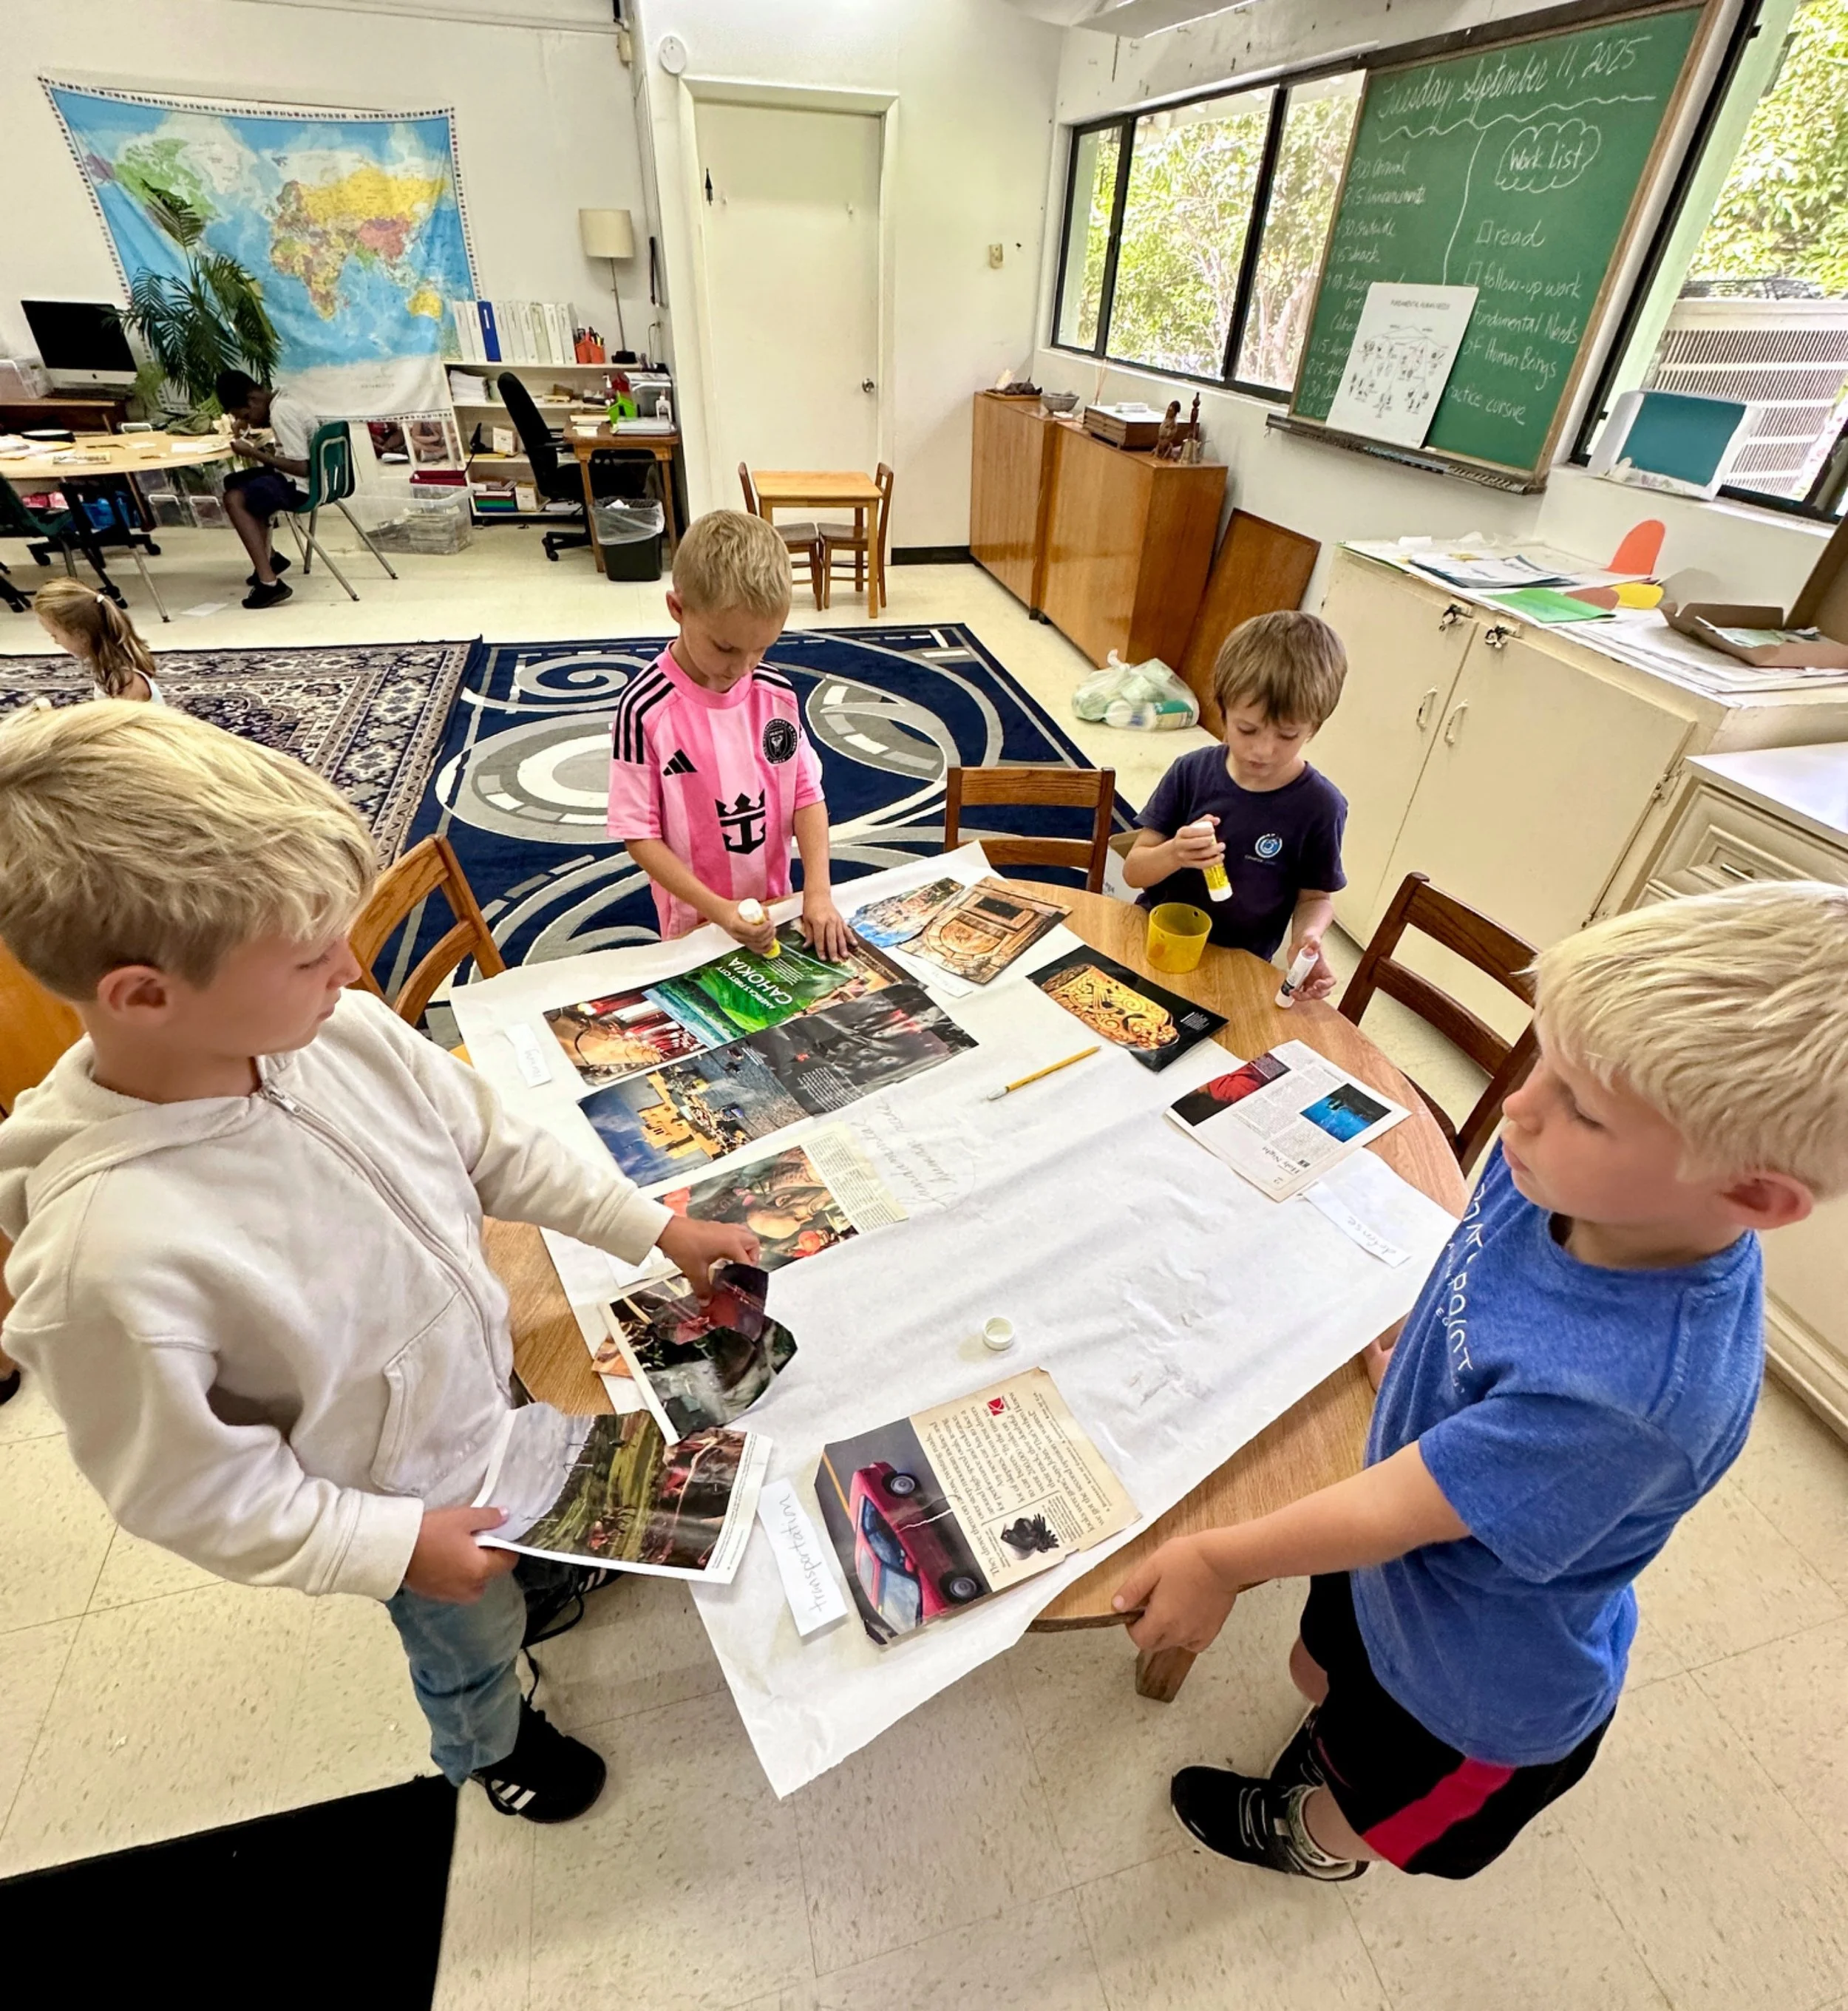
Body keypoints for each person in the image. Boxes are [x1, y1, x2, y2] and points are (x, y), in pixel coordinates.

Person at [0, 702, 759, 1822]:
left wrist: (654, 1230)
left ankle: (542, 1579)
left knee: (527, 1546)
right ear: (144, 996)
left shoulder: (334, 1031)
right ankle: (492, 1745)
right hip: (400, 1499)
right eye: (311, 954)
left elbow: (495, 1149)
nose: (353, 968)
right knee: (469, 1644)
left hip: (485, 1402)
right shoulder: (106, 1259)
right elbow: (191, 1491)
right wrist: (389, 1545)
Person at [1114, 880, 1848, 1883]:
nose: (1517, 1104)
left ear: (1750, 1193)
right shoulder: (1555, 1166)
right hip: (1391, 1573)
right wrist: (1428, 1344)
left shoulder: (1638, 1400)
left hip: (1471, 1685)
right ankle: (1328, 1749)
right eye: (1544, 1052)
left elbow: (1415, 1508)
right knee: (1322, 1676)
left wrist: (1224, 1560)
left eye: (1581, 1107)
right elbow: (1481, 1265)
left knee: (1368, 1801)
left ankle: (1311, 1841)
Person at [609, 509, 849, 959]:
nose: (742, 668)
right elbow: (638, 834)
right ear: (678, 610)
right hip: (694, 922)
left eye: (762, 648)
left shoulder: (775, 694)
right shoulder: (644, 709)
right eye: (725, 647)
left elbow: (805, 794)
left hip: (773, 908)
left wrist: (818, 892)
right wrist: (720, 910)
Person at [1123, 611, 1348, 1000]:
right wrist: (1174, 853)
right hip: (1157, 941)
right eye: (1247, 729)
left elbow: (1315, 898)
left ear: (1315, 727)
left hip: (1240, 965)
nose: (1263, 750)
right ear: (1223, 709)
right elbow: (1134, 872)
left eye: (1288, 735)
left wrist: (1308, 936)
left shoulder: (1320, 806)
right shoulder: (1191, 772)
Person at [214, 368, 319, 610]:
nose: (249, 421)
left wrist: (254, 453)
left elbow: (301, 468)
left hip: (300, 486)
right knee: (235, 482)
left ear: (253, 399)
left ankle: (270, 583)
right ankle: (270, 557)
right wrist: (248, 425)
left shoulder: (283, 413)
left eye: (247, 415)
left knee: (234, 498)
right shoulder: (282, 401)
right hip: (305, 480)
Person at [33, 577, 165, 702]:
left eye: (54, 635)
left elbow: (127, 726)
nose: (55, 641)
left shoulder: (125, 682)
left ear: (81, 636)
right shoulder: (108, 670)